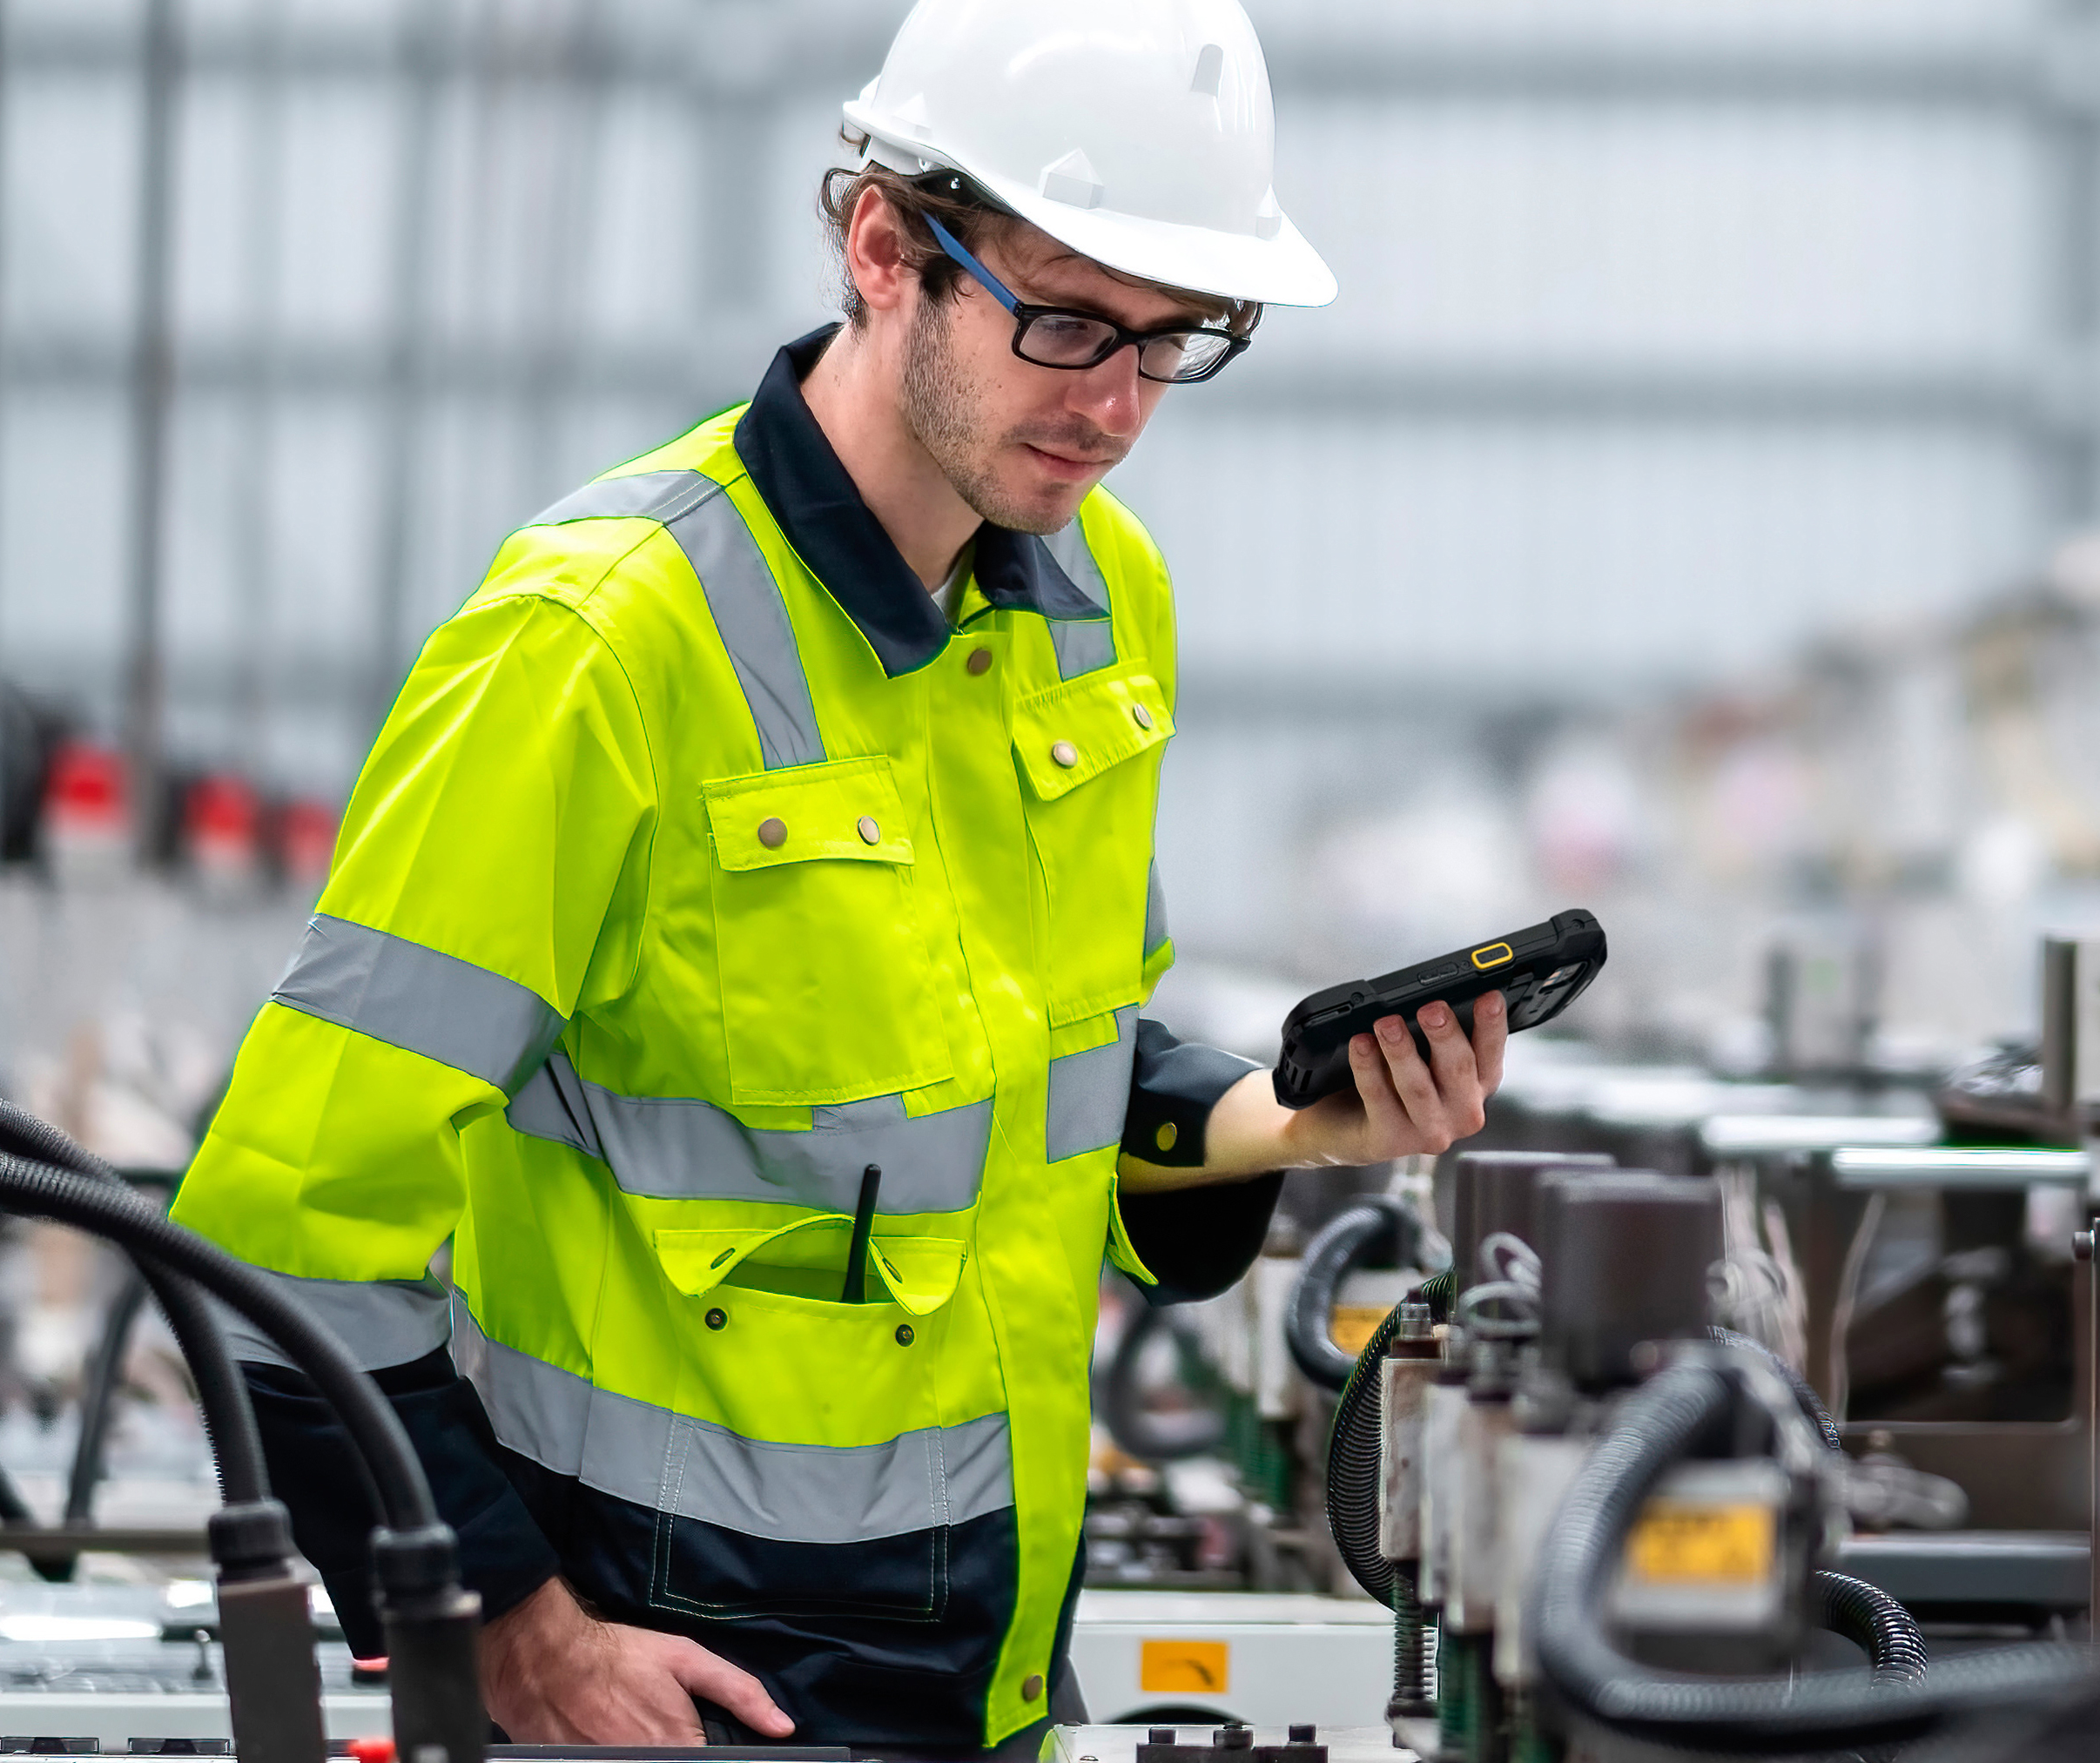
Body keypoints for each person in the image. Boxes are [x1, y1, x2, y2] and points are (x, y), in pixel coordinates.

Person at [169, 0, 1505, 1749]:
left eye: (1177, 341)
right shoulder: (600, 642)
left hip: (996, 1659)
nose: (1113, 407)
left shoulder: (1103, 606)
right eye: (1067, 321)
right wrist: (511, 1627)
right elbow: (278, 1235)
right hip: (687, 1678)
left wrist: (1292, 1119)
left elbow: (1024, 1075)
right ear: (886, 244)